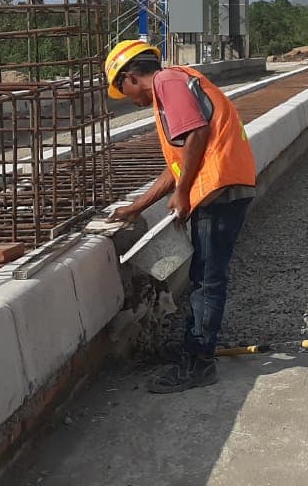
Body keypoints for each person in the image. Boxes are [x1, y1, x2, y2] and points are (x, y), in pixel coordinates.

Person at [104, 40, 257, 394]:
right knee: (205, 274)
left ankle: (199, 362)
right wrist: (137, 206)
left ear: (129, 77)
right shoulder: (176, 84)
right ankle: (194, 347)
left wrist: (184, 192)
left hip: (221, 189)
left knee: (207, 279)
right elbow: (178, 165)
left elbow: (197, 135)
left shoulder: (167, 82)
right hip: (223, 186)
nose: (129, 99)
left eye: (123, 90)